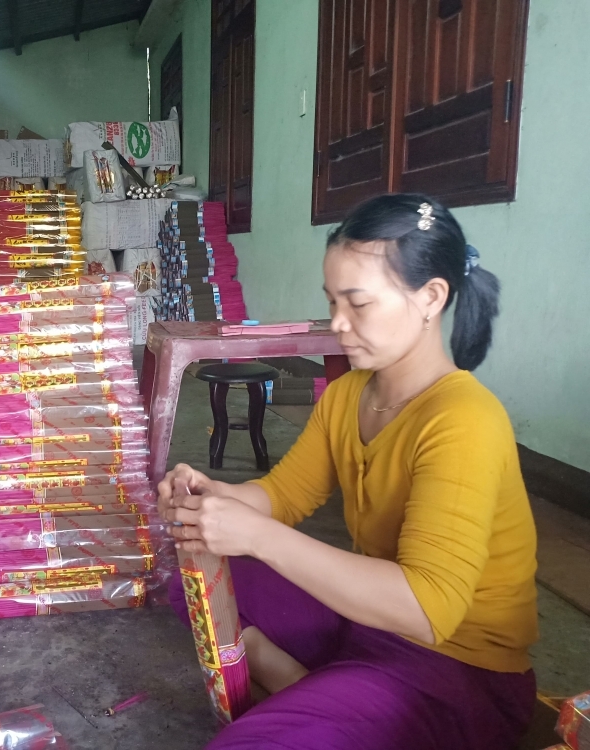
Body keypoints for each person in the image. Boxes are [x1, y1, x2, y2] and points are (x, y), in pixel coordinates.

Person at [160, 194, 538, 750]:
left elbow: (427, 610)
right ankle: (314, 689)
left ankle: (308, 690)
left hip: (456, 672)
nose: (337, 323)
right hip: (371, 627)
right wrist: (212, 497)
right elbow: (283, 494)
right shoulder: (349, 395)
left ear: (431, 297)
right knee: (192, 580)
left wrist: (260, 536)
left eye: (358, 304)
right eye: (333, 301)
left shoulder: (464, 420)